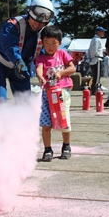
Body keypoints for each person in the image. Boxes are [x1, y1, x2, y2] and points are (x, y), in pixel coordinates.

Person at [0, 0, 54, 106]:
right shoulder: (12, 25)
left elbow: (43, 53)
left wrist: (46, 69)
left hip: (21, 67)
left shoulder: (46, 32)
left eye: (41, 23)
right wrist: (18, 61)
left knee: (26, 102)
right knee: (0, 99)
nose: (37, 25)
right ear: (29, 14)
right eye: (35, 20)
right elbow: (9, 46)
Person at [35, 26, 75, 161]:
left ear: (59, 43)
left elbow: (72, 68)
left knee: (64, 121)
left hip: (62, 92)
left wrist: (60, 73)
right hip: (47, 94)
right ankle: (47, 149)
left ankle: (66, 146)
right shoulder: (41, 57)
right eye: (47, 43)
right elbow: (39, 68)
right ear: (42, 43)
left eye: (54, 43)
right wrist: (40, 77)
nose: (50, 46)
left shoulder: (63, 54)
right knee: (46, 124)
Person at [88, 26, 106, 95]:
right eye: (102, 31)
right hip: (97, 58)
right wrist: (92, 56)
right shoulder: (96, 40)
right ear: (98, 32)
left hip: (96, 58)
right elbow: (93, 49)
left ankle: (97, 87)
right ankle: (95, 88)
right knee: (97, 75)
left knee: (98, 74)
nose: (103, 33)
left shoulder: (95, 39)